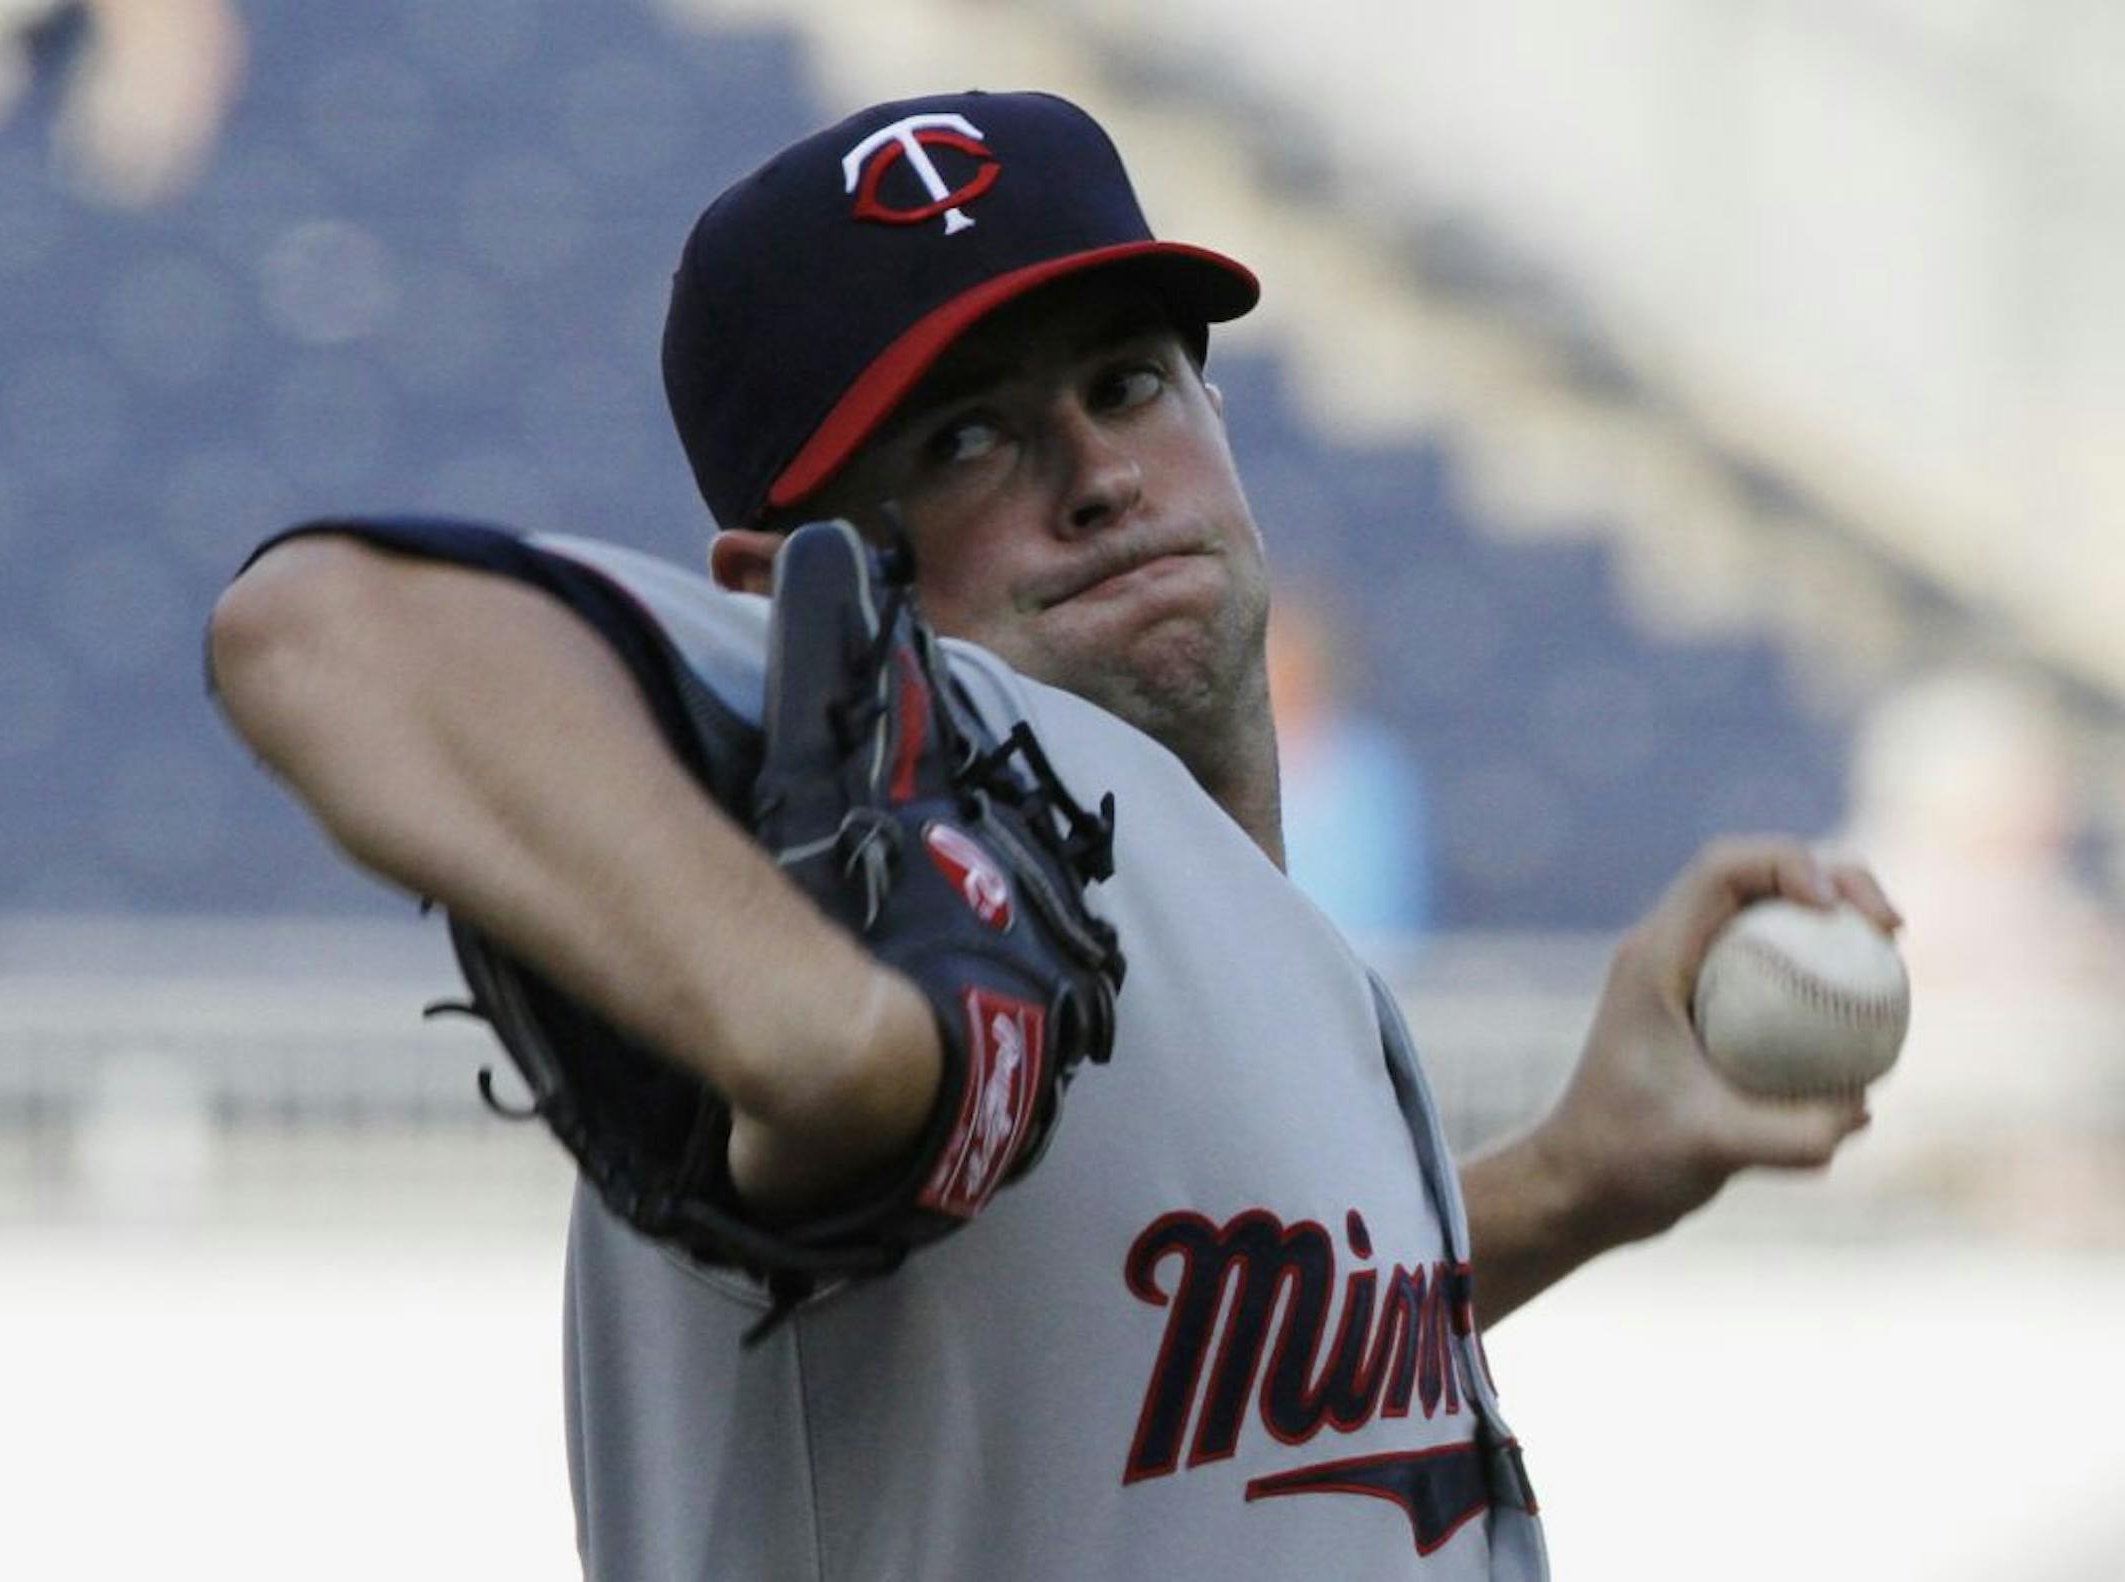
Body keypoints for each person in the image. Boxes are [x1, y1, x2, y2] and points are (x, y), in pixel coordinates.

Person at [208, 90, 1895, 1581]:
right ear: (782, 596)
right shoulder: (913, 780)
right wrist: (835, 1034)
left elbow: (1191, 1403)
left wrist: (1575, 1178)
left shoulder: (1244, 936)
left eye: (1130, 382)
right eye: (964, 439)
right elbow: (319, 628)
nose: (1096, 472)